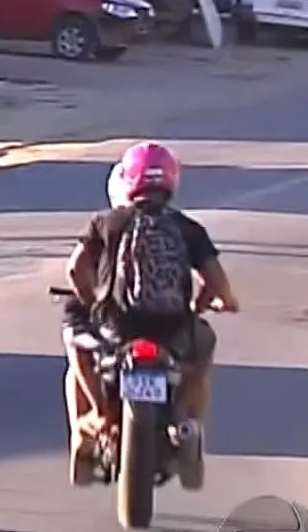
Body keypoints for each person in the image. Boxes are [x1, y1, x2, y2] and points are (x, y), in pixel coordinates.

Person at [63, 141, 240, 488]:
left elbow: (75, 270)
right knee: (204, 345)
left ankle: (95, 420)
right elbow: (217, 283)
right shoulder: (189, 230)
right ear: (171, 181)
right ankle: (186, 423)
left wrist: (95, 302)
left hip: (117, 327)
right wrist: (212, 303)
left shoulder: (106, 222)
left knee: (76, 345)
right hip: (171, 329)